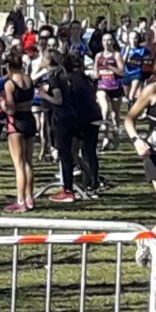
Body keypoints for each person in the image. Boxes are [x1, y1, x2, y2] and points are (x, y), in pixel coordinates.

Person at [39, 51, 102, 204]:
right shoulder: (85, 79)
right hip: (91, 118)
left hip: (68, 119)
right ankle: (93, 183)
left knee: (65, 154)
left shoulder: (57, 78)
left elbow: (59, 100)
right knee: (88, 152)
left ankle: (68, 188)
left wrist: (43, 94)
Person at [1, 48, 37, 212]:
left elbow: (10, 109)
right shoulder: (29, 80)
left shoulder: (10, 84)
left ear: (8, 67)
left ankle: (20, 199)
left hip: (16, 123)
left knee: (19, 164)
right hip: (30, 119)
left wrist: (1, 103)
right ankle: (30, 198)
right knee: (29, 162)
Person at [125, 80, 156, 221]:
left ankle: (146, 240)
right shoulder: (153, 90)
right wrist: (136, 140)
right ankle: (146, 241)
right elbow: (129, 119)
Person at [93, 33, 125, 148]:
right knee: (105, 108)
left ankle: (116, 134)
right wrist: (95, 74)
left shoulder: (116, 55)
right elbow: (95, 71)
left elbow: (122, 72)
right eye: (105, 40)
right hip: (102, 86)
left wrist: (110, 67)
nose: (107, 42)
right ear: (102, 42)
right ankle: (105, 136)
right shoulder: (98, 56)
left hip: (115, 86)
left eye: (109, 40)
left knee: (115, 113)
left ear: (113, 42)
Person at [124, 31, 152, 102]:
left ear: (138, 38)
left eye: (135, 38)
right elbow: (122, 62)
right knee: (127, 95)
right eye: (131, 38)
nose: (133, 41)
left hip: (137, 73)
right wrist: (127, 52)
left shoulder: (143, 50)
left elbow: (148, 62)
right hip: (126, 73)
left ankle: (131, 112)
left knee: (131, 95)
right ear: (128, 39)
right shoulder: (125, 49)